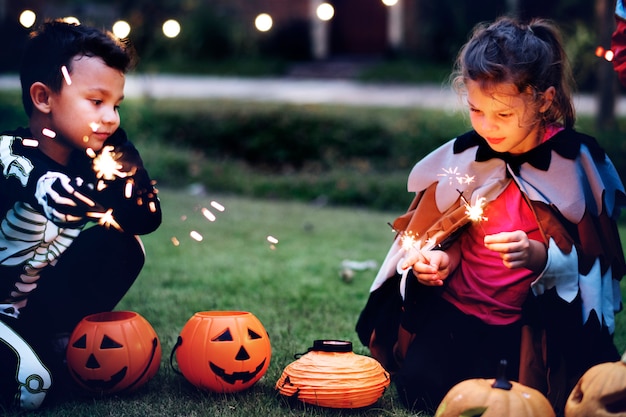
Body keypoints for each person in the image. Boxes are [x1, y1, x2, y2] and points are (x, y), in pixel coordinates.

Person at [356, 16, 626, 417]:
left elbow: (590, 260)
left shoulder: (574, 164)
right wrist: (438, 262)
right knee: (420, 390)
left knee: (523, 399)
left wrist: (540, 256)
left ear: (545, 100)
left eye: (503, 115)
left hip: (524, 329)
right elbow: (451, 237)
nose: (487, 127)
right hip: (457, 315)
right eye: (476, 111)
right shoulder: (466, 158)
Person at [0, 19, 161, 410]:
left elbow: (146, 217)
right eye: (96, 102)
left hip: (37, 304)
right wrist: (44, 183)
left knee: (125, 244)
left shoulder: (93, 163)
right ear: (43, 98)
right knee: (32, 389)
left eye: (116, 105)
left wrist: (119, 147)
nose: (111, 117)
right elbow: (25, 171)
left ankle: (54, 336)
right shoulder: (9, 152)